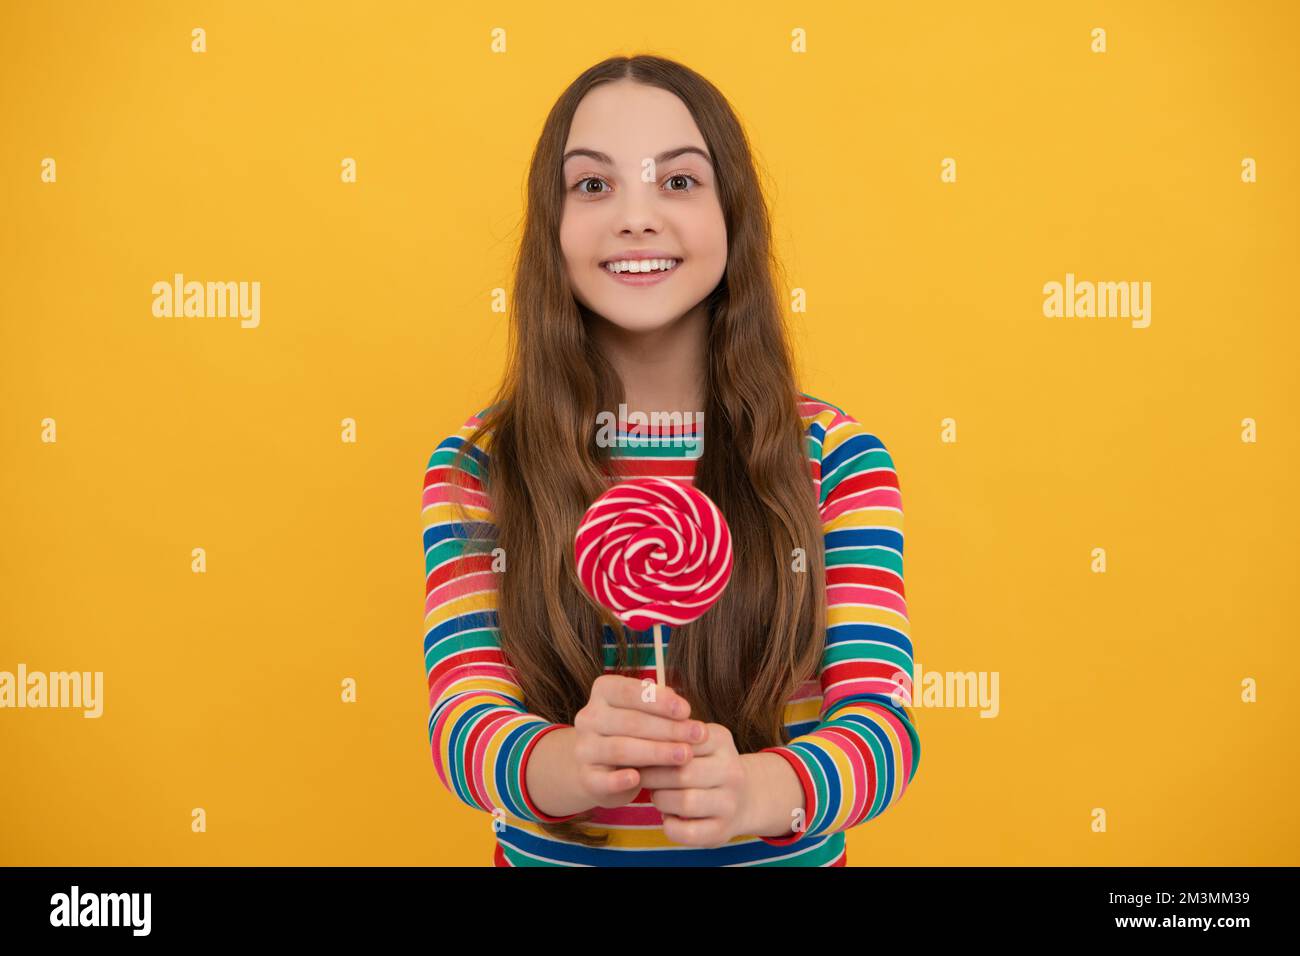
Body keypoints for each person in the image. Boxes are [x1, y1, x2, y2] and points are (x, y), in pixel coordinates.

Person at [421, 54, 920, 866]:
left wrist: (760, 789)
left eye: (678, 182)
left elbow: (884, 726)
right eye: (593, 186)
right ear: (550, 225)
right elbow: (463, 721)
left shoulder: (831, 457)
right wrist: (568, 765)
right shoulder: (481, 467)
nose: (636, 218)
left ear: (734, 215)